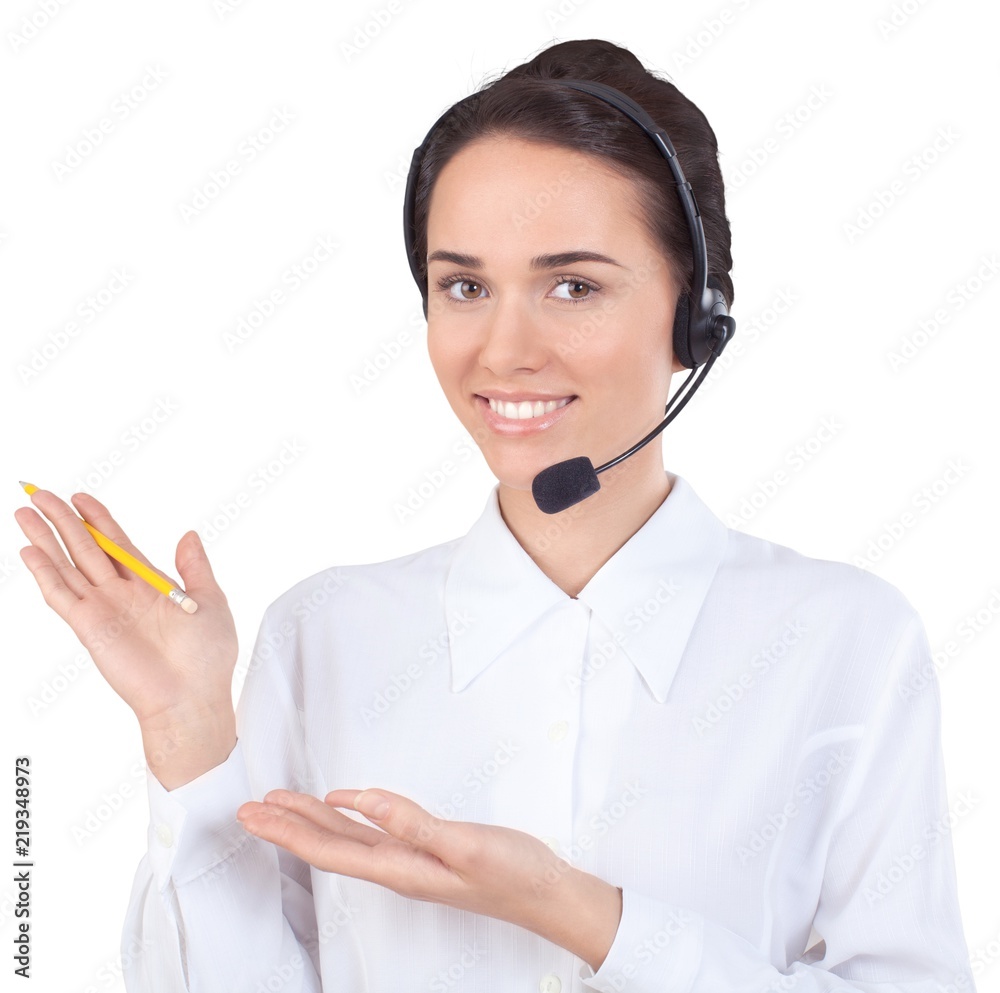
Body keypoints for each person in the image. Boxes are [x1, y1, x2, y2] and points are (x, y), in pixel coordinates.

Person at [14, 38, 975, 993]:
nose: (504, 350)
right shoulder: (325, 634)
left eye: (574, 286)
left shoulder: (846, 639)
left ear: (697, 321)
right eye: (465, 287)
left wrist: (579, 912)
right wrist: (188, 732)